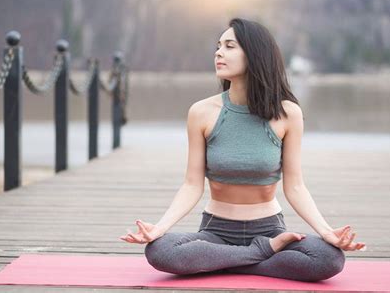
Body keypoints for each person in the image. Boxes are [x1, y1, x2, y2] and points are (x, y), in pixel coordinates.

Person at [119, 17, 366, 282]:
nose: (218, 52)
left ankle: (221, 262)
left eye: (229, 46)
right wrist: (160, 227)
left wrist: (326, 231)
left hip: (270, 229)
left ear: (255, 54)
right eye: (218, 46)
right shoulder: (201, 112)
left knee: (328, 258)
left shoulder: (288, 114)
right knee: (161, 251)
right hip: (216, 230)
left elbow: (294, 186)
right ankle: (259, 255)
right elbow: (192, 185)